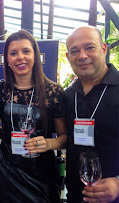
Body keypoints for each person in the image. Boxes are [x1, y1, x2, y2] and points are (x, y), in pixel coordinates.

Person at [0, 30, 67, 202]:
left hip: (42, 175)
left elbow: (66, 137)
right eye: (13, 53)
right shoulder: (2, 91)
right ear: (7, 59)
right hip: (7, 172)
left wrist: (49, 143)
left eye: (26, 51)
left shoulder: (54, 92)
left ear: (35, 56)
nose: (20, 57)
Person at [65, 26, 119, 203]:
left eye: (89, 47)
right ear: (68, 57)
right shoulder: (67, 96)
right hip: (75, 196)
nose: (82, 56)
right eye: (75, 51)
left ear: (104, 49)